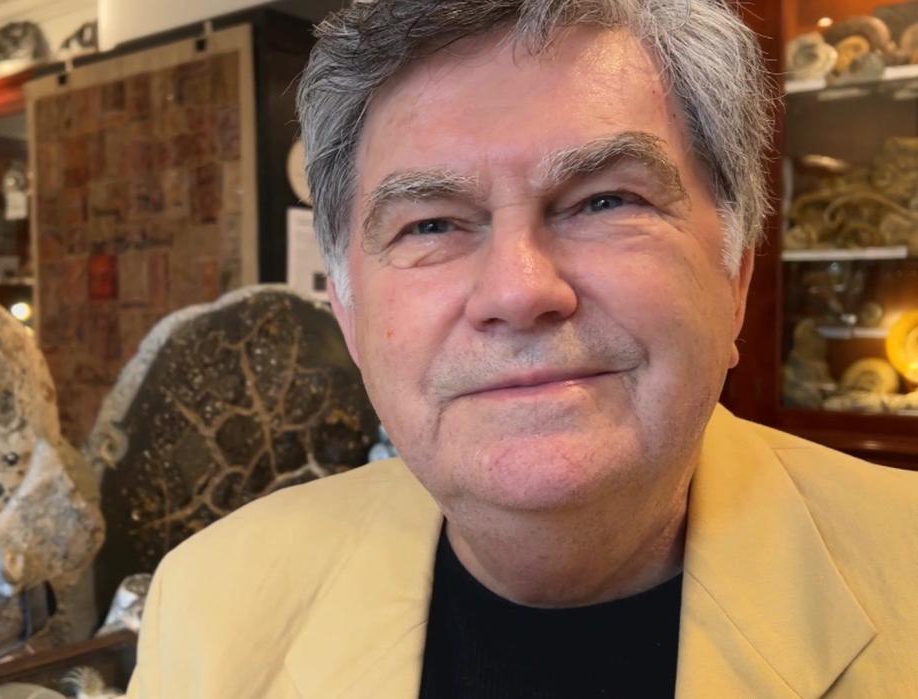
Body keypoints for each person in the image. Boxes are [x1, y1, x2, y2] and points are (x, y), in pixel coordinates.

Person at [127, 1, 918, 696]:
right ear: (348, 311)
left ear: (736, 275)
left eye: (606, 200)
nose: (517, 289)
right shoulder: (209, 602)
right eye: (431, 223)